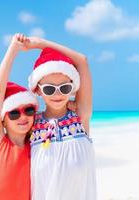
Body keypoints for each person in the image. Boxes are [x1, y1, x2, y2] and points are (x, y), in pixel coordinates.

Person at [27, 37, 97, 200]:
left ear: (73, 88)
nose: (58, 94)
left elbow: (82, 60)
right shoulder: (31, 123)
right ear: (38, 90)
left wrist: (40, 44)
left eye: (65, 88)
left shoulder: (80, 115)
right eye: (50, 89)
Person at [0, 33, 39, 200]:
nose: (22, 116)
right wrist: (13, 50)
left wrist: (70, 104)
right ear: (3, 119)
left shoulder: (35, 147)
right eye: (14, 113)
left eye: (29, 110)